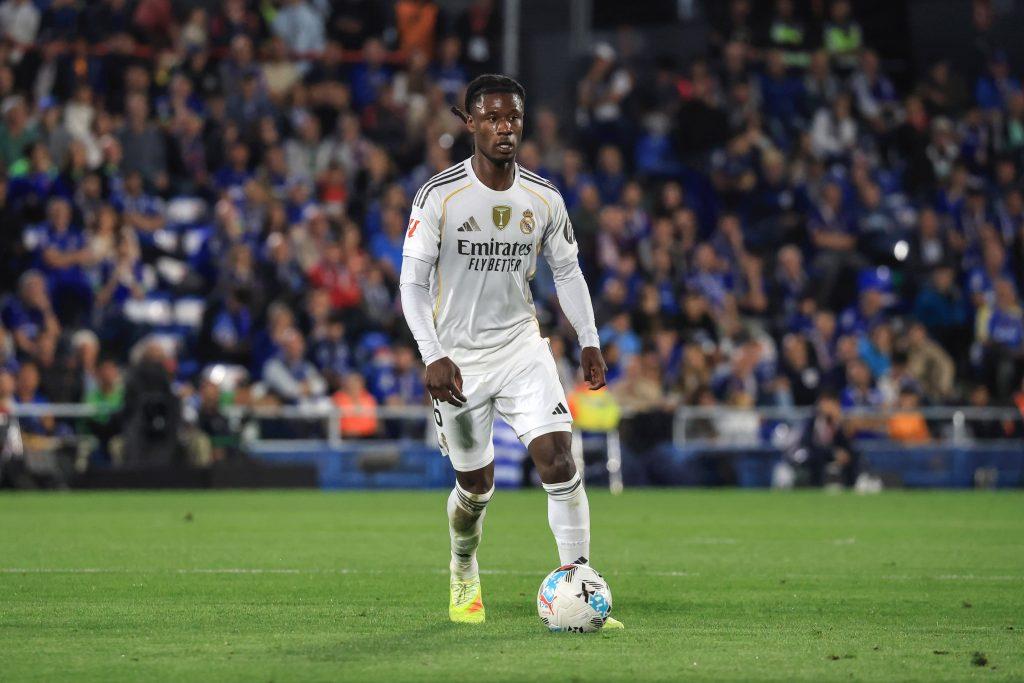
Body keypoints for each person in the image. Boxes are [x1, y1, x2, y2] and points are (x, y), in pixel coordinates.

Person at [399, 75, 621, 629]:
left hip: (522, 346)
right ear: (470, 122)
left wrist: (589, 340)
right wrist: (431, 353)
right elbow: (411, 283)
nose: (505, 128)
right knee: (476, 489)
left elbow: (567, 271)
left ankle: (581, 586)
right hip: (458, 361)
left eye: (514, 118)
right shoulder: (439, 196)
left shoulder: (543, 198)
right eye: (493, 118)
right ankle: (463, 564)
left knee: (560, 460)